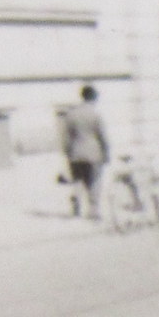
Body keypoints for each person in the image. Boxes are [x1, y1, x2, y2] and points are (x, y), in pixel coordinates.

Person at [60, 84, 109, 220]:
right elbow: (102, 136)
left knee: (77, 180)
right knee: (94, 182)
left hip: (75, 153)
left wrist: (68, 152)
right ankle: (93, 211)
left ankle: (76, 204)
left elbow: (66, 136)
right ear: (93, 98)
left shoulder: (71, 114)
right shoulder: (95, 114)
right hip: (93, 153)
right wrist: (106, 152)